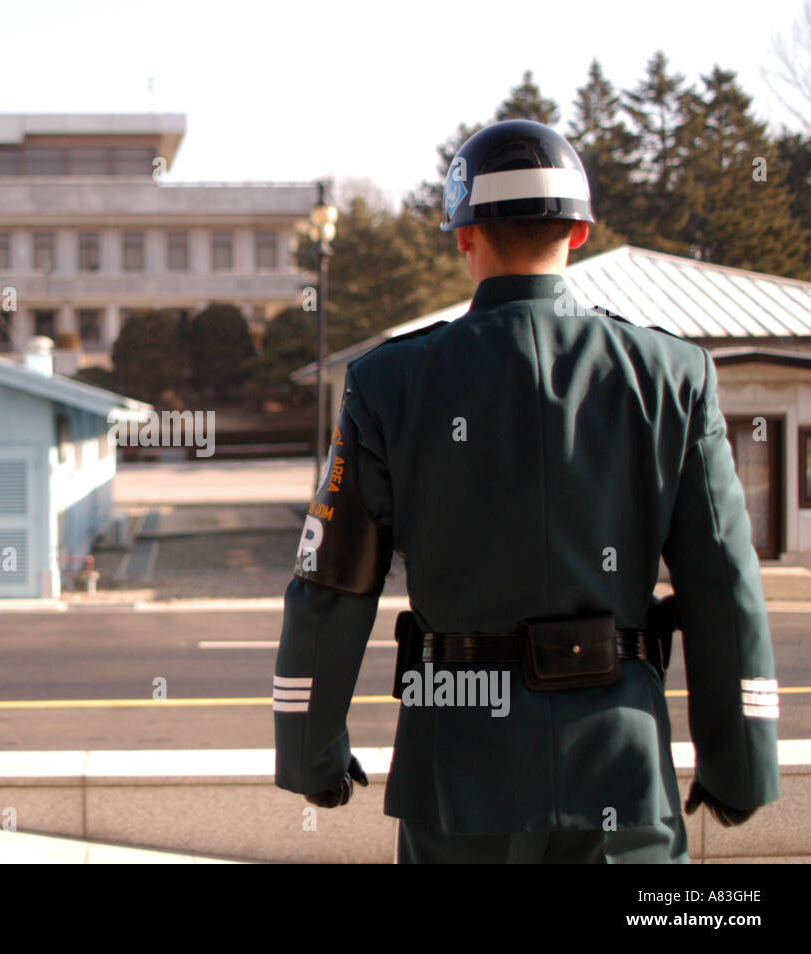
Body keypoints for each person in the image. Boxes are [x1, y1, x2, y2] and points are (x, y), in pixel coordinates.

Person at [273, 119, 780, 863]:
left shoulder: (389, 383)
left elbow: (333, 585)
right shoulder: (672, 375)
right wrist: (741, 763)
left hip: (458, 779)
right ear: (577, 232)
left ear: (462, 235)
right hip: (622, 769)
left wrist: (311, 752)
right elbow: (724, 583)